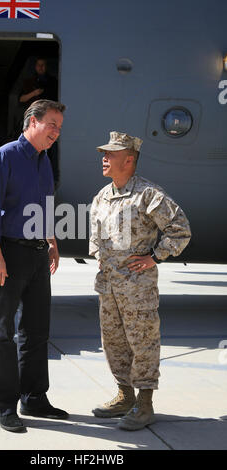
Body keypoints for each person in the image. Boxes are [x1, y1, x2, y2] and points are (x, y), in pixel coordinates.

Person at [89, 131, 191, 431]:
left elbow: (180, 230)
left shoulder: (148, 194)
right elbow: (95, 230)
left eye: (111, 154)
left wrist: (155, 257)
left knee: (143, 342)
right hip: (108, 286)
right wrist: (98, 253)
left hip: (137, 289)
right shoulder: (103, 195)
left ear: (129, 159)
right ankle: (124, 395)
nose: (104, 158)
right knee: (114, 342)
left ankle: (144, 404)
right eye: (103, 153)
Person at [0, 99, 68, 433]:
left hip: (37, 254)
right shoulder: (5, 156)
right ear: (32, 122)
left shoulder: (44, 161)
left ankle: (34, 398)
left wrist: (53, 243)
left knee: (37, 329)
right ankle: (5, 406)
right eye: (52, 125)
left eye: (59, 127)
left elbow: (45, 205)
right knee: (2, 333)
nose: (56, 133)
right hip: (9, 253)